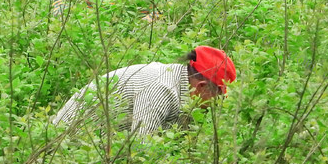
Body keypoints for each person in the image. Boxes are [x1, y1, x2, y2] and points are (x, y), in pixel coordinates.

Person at [51, 46, 237, 136]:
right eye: (218, 96)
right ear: (202, 87)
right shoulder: (161, 89)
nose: (219, 103)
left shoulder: (180, 84)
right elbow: (140, 151)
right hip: (65, 144)